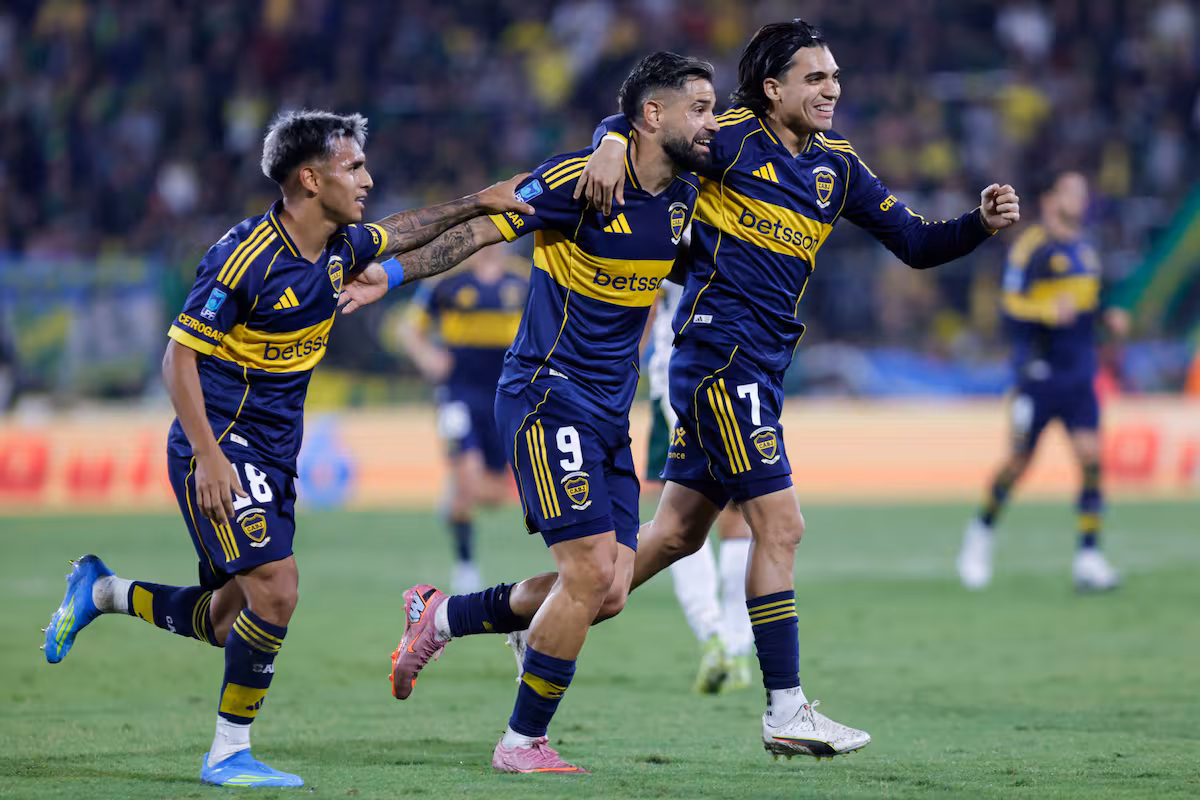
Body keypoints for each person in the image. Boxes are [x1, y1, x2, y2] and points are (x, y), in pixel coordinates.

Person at [396, 19, 1020, 763]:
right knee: (781, 527)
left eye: (834, 76)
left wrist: (978, 225)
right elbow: (649, 129)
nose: (832, 89)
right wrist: (608, 140)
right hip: (720, 360)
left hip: (762, 366)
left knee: (657, 550)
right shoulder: (726, 140)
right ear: (772, 88)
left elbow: (915, 242)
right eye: (816, 78)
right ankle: (786, 709)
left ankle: (456, 616)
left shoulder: (839, 168)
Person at [40, 109, 533, 789]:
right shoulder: (245, 258)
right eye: (352, 166)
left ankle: (101, 591)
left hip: (274, 452)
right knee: (277, 588)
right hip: (221, 444)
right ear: (310, 178)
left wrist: (479, 204)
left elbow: (410, 233)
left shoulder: (339, 246)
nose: (367, 178)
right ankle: (227, 753)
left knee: (226, 620)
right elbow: (178, 360)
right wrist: (209, 456)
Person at [339, 51, 717, 774]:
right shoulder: (579, 181)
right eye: (698, 109)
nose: (712, 123)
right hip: (549, 392)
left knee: (609, 592)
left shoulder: (688, 192)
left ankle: (443, 615)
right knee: (587, 575)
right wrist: (389, 273)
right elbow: (480, 228)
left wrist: (614, 134)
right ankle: (521, 743)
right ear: (653, 114)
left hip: (610, 410)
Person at [957, 171, 1125, 592]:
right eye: (1072, 192)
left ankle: (1089, 557)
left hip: (1079, 374)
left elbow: (1089, 303)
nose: (1081, 199)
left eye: (1083, 192)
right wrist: (1046, 311)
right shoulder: (1031, 247)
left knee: (1090, 459)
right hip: (1038, 375)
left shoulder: (1087, 249)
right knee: (1018, 463)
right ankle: (980, 533)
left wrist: (1107, 317)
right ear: (1050, 199)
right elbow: (1009, 306)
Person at [394, 246, 528, 592]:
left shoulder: (524, 278)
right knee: (468, 476)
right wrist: (428, 357)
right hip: (457, 394)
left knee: (494, 495)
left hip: (503, 394)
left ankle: (454, 497)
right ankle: (466, 567)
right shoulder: (448, 281)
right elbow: (409, 327)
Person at [644, 279, 754, 694]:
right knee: (739, 510)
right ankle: (737, 650)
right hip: (738, 371)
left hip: (676, 376)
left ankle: (713, 638)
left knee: (678, 518)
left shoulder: (667, 235)